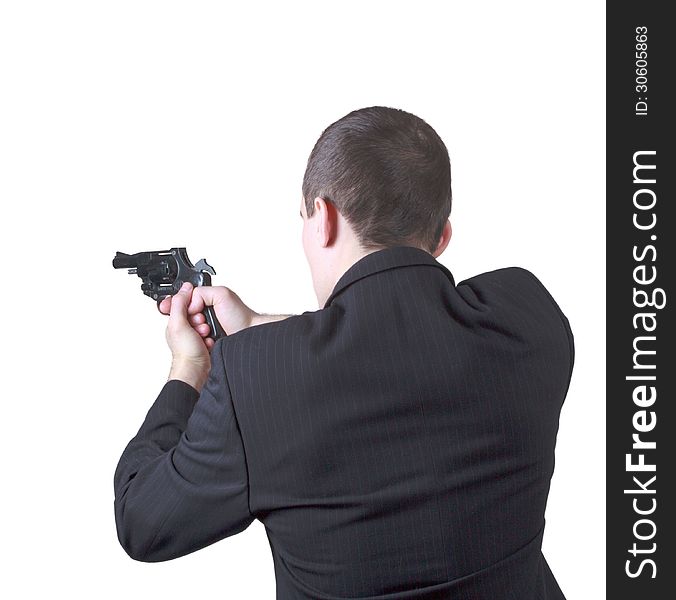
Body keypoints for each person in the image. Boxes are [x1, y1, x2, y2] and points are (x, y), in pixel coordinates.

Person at [114, 106, 573, 599]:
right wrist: (254, 326)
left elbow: (144, 522)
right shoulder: (530, 318)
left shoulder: (254, 383)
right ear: (441, 238)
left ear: (323, 219)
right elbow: (405, 332)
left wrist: (190, 366)